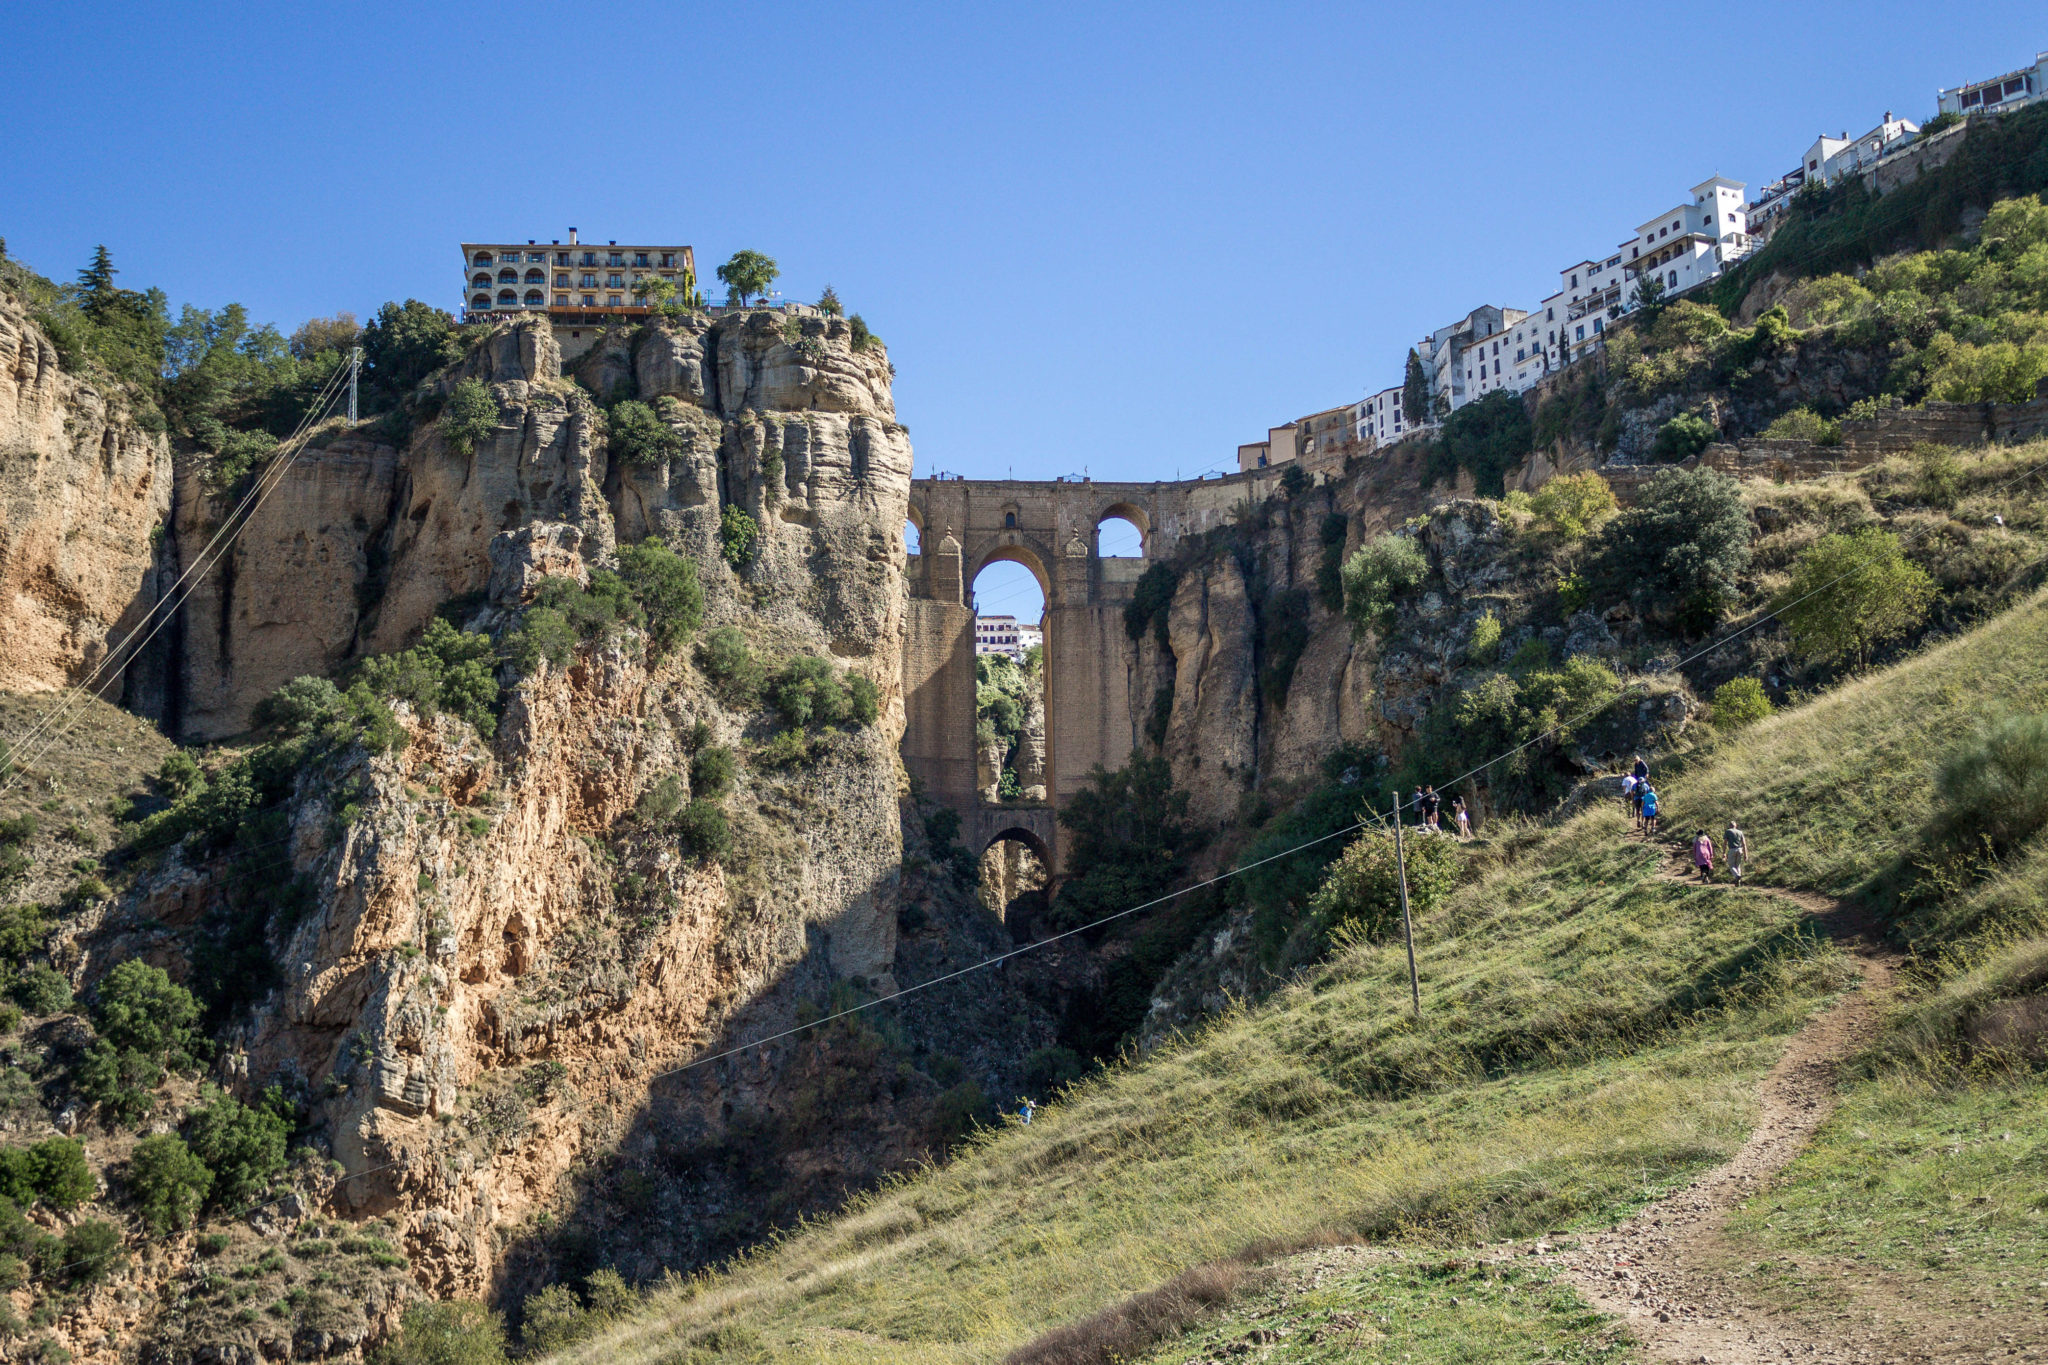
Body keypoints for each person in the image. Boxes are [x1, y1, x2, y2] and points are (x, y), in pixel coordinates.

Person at [1725, 820, 1747, 885]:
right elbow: (1744, 844)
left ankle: (1737, 876)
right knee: (1738, 866)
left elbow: (1725, 843)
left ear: (1729, 826)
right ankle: (1738, 882)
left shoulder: (1728, 831)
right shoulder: (1740, 832)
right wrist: (1746, 854)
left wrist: (1724, 852)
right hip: (1740, 849)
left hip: (1732, 849)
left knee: (1732, 866)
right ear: (1736, 825)